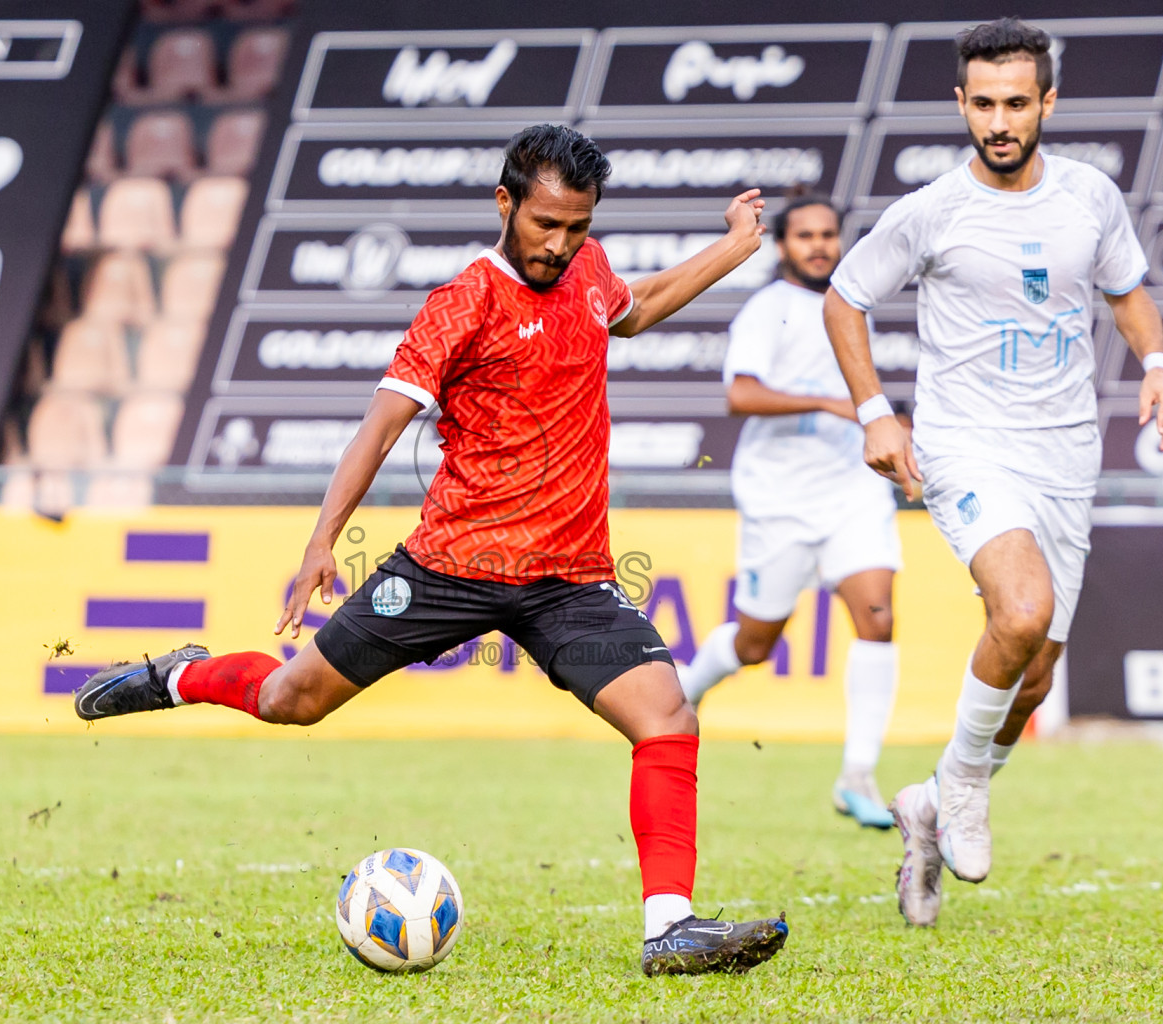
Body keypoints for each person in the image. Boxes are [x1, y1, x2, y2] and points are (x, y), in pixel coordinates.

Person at [74, 124, 789, 975]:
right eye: (545, 225)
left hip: (568, 579)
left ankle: (669, 927)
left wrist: (736, 247)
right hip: (446, 570)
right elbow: (378, 432)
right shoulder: (462, 304)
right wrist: (320, 543)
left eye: (577, 228)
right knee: (291, 701)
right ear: (505, 202)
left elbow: (640, 307)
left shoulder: (588, 273)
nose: (560, 245)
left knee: (668, 717)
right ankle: (182, 676)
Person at [822, 18, 1163, 927]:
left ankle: (931, 802)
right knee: (1018, 612)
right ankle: (964, 795)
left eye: (1016, 103)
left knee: (1031, 677)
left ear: (1046, 103)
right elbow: (845, 298)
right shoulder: (933, 210)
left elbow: (1127, 291)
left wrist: (1158, 364)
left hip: (1065, 455)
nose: (998, 120)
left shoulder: (1090, 199)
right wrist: (876, 414)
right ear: (961, 103)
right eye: (982, 103)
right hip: (967, 444)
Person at [678, 193, 902, 831]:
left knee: (878, 617)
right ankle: (683, 695)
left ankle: (858, 774)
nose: (820, 245)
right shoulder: (767, 309)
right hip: (779, 500)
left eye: (828, 234)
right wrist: (832, 406)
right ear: (782, 246)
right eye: (805, 235)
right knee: (754, 643)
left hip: (852, 492)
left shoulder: (852, 306)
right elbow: (740, 394)